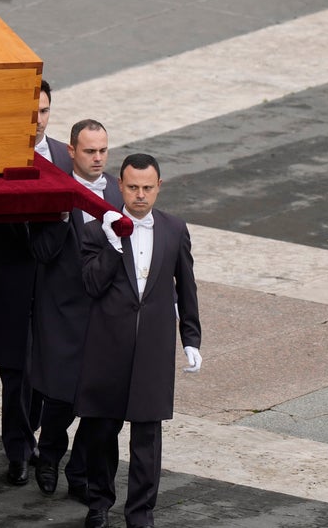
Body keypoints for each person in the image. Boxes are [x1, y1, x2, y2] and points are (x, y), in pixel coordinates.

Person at [76, 153, 203, 528]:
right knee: (101, 431)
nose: (140, 195)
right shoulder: (96, 230)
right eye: (133, 187)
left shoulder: (175, 229)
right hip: (107, 349)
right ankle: (99, 504)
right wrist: (113, 245)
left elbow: (187, 286)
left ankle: (141, 513)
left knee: (147, 438)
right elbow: (91, 285)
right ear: (121, 186)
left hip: (152, 351)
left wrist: (191, 338)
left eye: (148, 188)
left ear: (159, 187)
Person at [29, 116, 121, 499]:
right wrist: (62, 211)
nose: (98, 158)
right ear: (71, 151)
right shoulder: (54, 192)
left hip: (105, 314)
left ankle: (80, 471)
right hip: (63, 311)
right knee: (62, 396)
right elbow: (42, 252)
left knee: (100, 402)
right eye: (89, 151)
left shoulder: (118, 191)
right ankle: (49, 455)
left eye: (102, 150)